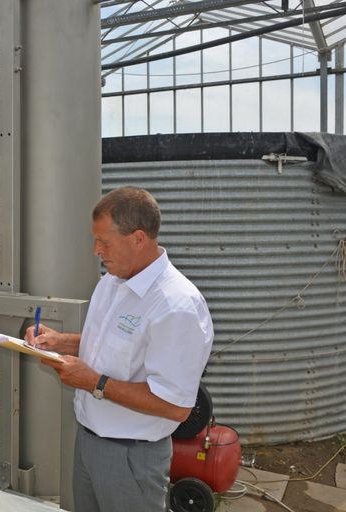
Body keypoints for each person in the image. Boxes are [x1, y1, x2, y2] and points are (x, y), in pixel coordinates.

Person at [25, 187, 213, 512]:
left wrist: (94, 383)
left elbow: (176, 407)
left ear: (138, 239)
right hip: (88, 443)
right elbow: (106, 346)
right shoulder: (111, 283)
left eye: (105, 242)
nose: (96, 250)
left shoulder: (176, 305)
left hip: (132, 457)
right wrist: (59, 341)